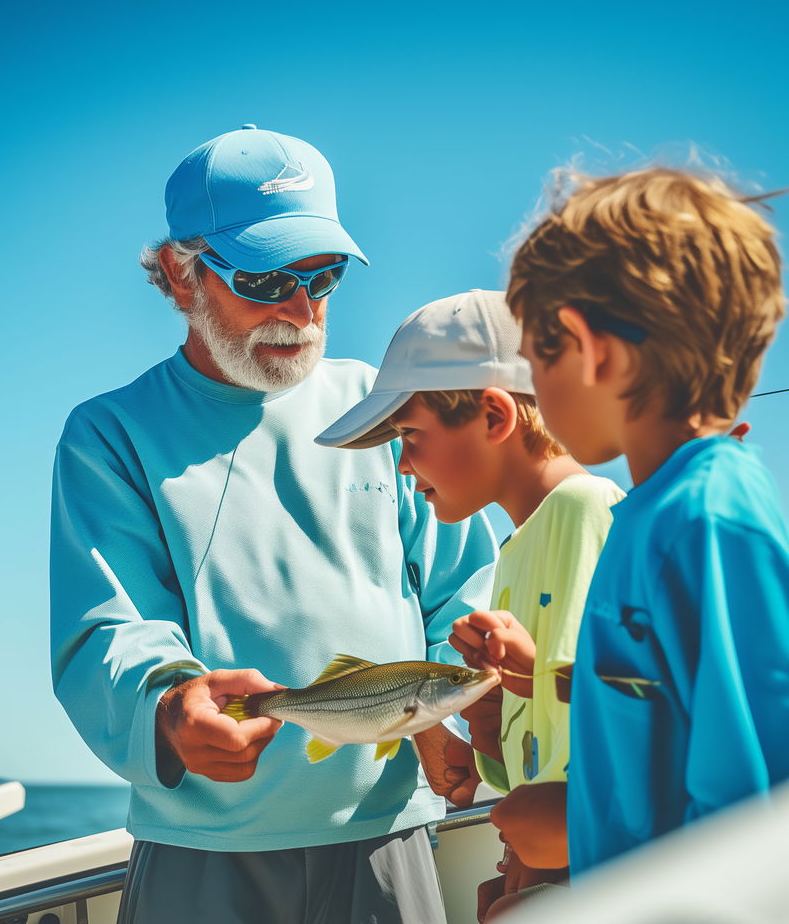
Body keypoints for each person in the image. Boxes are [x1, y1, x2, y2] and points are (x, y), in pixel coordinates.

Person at [49, 125, 498, 924]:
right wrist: (168, 705)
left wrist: (435, 714)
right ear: (180, 277)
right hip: (200, 849)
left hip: (388, 835)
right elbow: (108, 631)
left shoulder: (386, 407)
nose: (302, 308)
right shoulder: (110, 434)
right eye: (264, 278)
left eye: (323, 275)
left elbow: (464, 585)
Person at [491, 166, 789, 877]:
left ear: (590, 348)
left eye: (535, 358)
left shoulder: (708, 521)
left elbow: (755, 821)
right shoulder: (648, 517)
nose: (533, 384)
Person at [316, 290, 624, 919]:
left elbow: (630, 710)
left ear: (493, 415)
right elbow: (546, 743)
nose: (401, 465)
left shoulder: (583, 510)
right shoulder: (515, 545)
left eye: (410, 435)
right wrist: (484, 737)